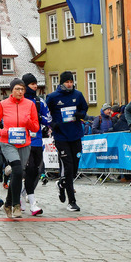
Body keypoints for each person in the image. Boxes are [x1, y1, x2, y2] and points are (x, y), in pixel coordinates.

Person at [0, 78, 40, 219]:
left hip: (24, 142)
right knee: (17, 169)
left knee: (17, 174)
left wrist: (28, 122)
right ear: (11, 90)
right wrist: (1, 132)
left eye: (22, 89)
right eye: (17, 89)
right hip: (8, 142)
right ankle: (16, 205)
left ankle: (7, 203)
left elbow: (35, 127)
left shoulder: (30, 104)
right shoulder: (3, 104)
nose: (20, 92)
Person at [46, 70, 88, 212]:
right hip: (61, 137)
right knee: (68, 167)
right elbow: (45, 113)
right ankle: (72, 201)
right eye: (67, 82)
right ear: (61, 83)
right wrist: (52, 125)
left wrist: (80, 114)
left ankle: (62, 183)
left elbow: (84, 108)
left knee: (75, 167)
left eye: (71, 81)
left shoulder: (78, 95)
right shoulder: (53, 97)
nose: (69, 84)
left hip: (75, 135)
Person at [22, 73, 51, 216]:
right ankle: (29, 201)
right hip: (23, 141)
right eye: (32, 84)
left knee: (36, 171)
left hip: (37, 140)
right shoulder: (20, 101)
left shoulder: (40, 101)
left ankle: (24, 193)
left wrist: (40, 118)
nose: (35, 86)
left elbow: (49, 118)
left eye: (35, 84)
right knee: (26, 170)